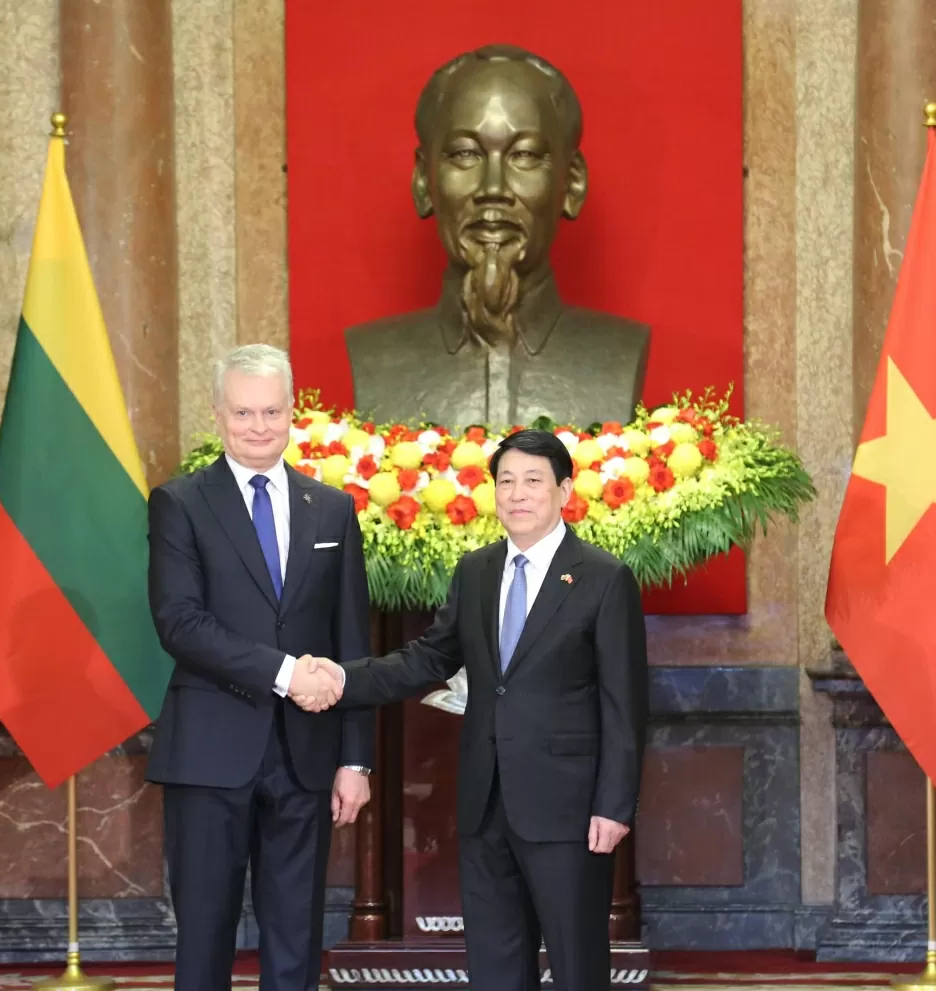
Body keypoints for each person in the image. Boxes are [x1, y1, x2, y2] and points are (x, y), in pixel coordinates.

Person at [295, 429, 648, 991]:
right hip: (485, 805)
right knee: (495, 965)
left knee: (578, 965)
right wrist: (339, 677)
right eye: (505, 481)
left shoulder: (603, 579)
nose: (518, 494)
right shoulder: (477, 571)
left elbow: (625, 704)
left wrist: (614, 805)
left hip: (569, 809)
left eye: (533, 481)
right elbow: (427, 658)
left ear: (564, 490)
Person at [145, 343, 373, 991]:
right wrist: (285, 672)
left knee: (297, 931)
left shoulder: (331, 509)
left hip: (307, 756)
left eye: (272, 410)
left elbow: (350, 639)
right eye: (243, 412)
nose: (259, 426)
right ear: (218, 415)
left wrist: (356, 760)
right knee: (206, 929)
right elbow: (180, 623)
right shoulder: (180, 503)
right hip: (209, 752)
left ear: (293, 410)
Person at [343, 44, 650, 430]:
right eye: (464, 154)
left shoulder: (619, 354)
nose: (493, 187)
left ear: (572, 183)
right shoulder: (375, 356)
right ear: (424, 181)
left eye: (524, 155)